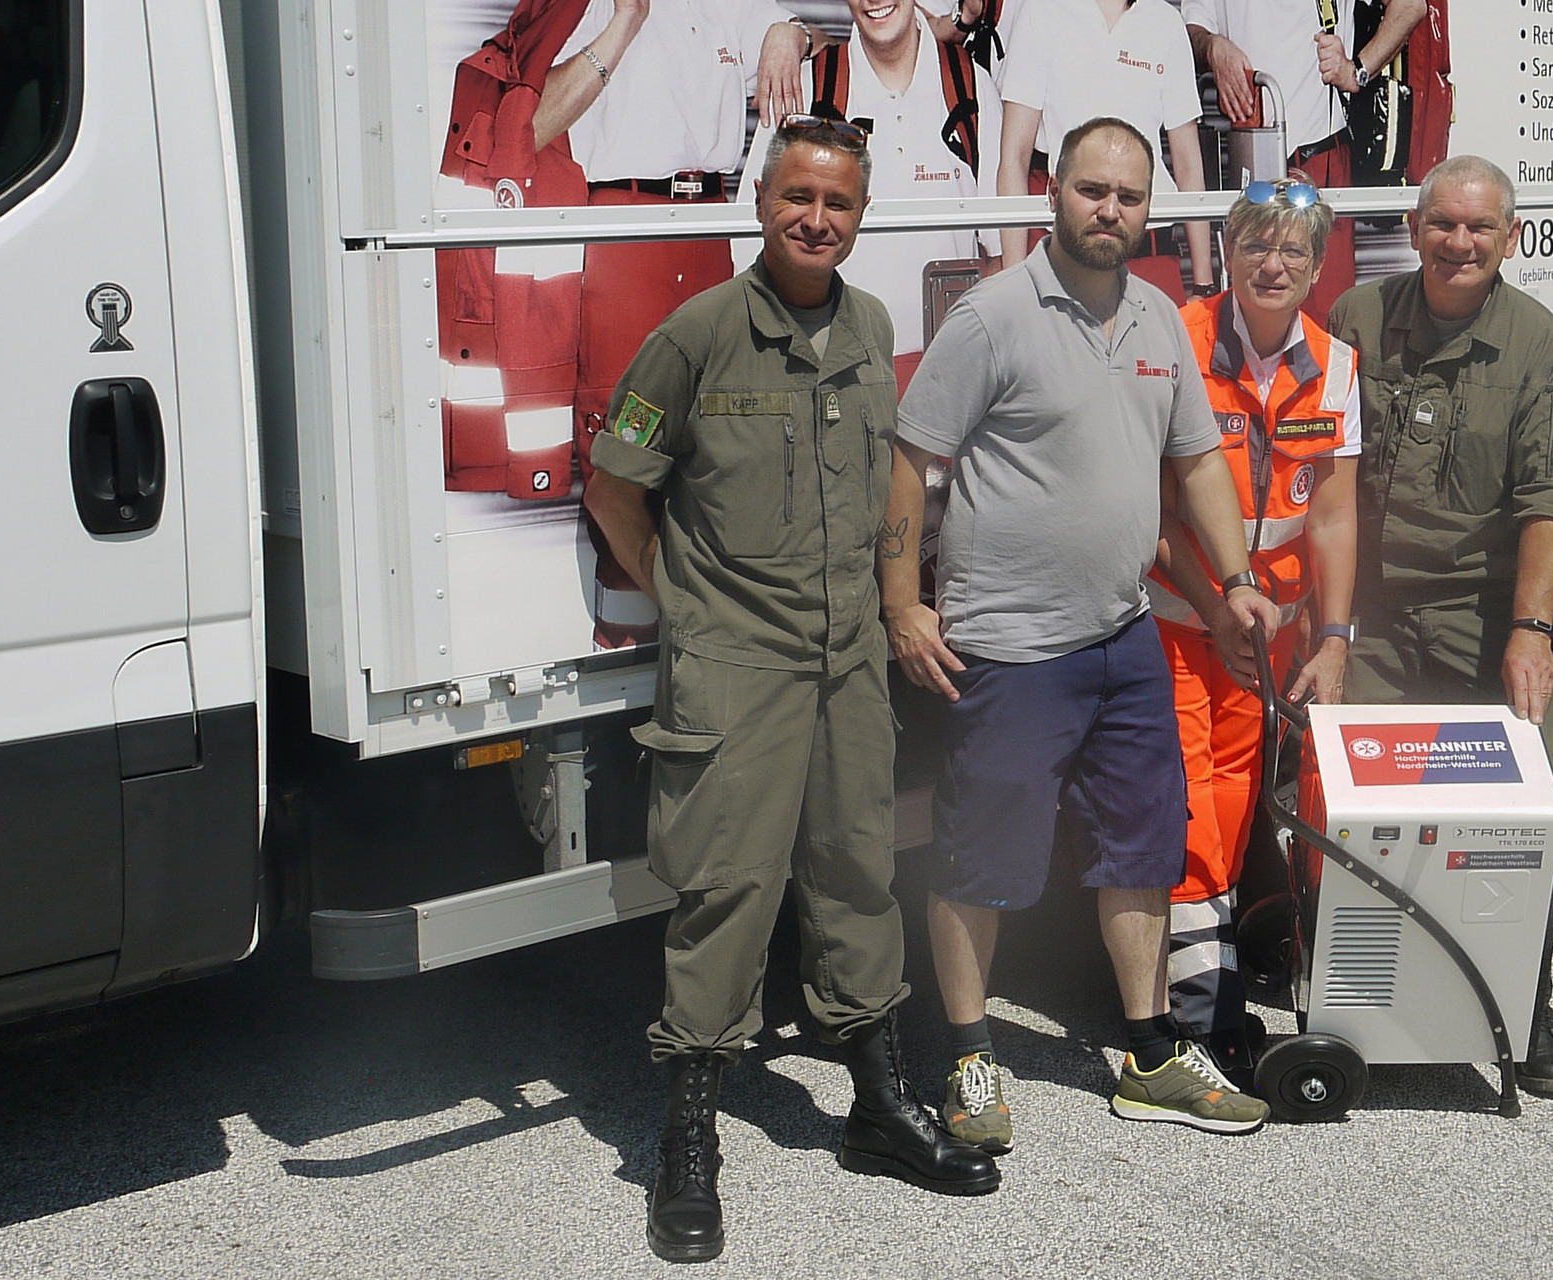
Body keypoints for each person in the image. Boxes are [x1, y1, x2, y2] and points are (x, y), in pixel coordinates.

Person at [583, 118, 999, 1266]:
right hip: (738, 665)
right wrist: (680, 596)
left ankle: (876, 1103)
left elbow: (891, 483)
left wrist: (896, 599)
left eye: (841, 203)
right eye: (799, 196)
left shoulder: (868, 324)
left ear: (862, 216)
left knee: (860, 874)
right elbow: (619, 478)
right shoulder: (701, 333)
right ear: (760, 202)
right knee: (727, 891)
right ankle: (687, 1136)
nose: (819, 219)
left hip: (848, 658)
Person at [887, 117, 1282, 1154]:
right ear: (1054, 191)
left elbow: (1198, 462)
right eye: (1092, 190)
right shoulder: (992, 318)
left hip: (1124, 632)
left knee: (1142, 846)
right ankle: (970, 1051)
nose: (1110, 211)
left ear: (1151, 209)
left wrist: (1236, 577)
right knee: (981, 856)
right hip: (1010, 647)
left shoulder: (1157, 317)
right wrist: (900, 603)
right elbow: (910, 460)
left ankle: (1152, 1054)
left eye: (1130, 197)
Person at [1326, 153, 1553, 1099]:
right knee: (1358, 814)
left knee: (1526, 808)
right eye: (1443, 224)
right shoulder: (1358, 318)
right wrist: (1331, 620)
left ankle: (1528, 1007)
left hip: (1483, 615)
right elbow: (1322, 468)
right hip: (1380, 617)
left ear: (1508, 238)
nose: (1459, 243)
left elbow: (1550, 501)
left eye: (1479, 228)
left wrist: (1532, 629)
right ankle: (1354, 1003)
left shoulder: (1537, 344)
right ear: (1417, 224)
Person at [1147, 178, 1359, 1090]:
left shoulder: (1336, 366)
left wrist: (1337, 637)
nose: (1275, 265)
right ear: (1226, 253)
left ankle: (1204, 969)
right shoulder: (1182, 344)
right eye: (1256, 246)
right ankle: (1204, 1015)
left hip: (1273, 632)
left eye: (1296, 251)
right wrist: (1217, 596)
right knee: (1192, 800)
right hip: (1179, 617)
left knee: (1234, 803)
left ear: (1317, 267)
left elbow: (1337, 518)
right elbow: (1156, 499)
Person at [534, 0, 828, 646]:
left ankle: (706, 638)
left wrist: (790, 33)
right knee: (624, 439)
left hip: (710, 226)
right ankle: (626, 642)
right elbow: (533, 118)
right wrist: (626, 21)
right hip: (623, 227)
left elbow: (822, 42)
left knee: (717, 437)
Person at [736, 0, 1004, 392]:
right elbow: (750, 238)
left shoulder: (971, 87)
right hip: (829, 375)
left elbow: (999, 256)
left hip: (947, 371)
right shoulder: (807, 88)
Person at [1182, 0, 1426, 324]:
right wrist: (1212, 46)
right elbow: (1190, 30)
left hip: (1318, 160)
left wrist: (1358, 71)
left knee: (1325, 322)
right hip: (1249, 159)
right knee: (1249, 318)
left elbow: (1411, 5)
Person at [995, 0, 1212, 299]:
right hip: (1070, 244)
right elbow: (1013, 158)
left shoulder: (1165, 20)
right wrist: (1013, 281)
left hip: (1149, 245)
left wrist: (1203, 286)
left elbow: (1188, 165)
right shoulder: (1042, 12)